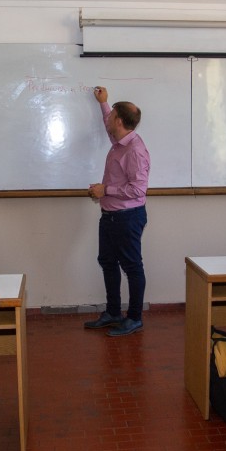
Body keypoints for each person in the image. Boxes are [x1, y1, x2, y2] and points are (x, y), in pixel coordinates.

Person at [82, 85, 151, 337]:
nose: (108, 118)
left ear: (119, 121)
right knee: (108, 262)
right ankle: (113, 313)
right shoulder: (120, 140)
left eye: (111, 115)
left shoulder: (135, 150)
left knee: (132, 267)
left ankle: (134, 318)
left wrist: (105, 190)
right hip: (111, 216)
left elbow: (138, 190)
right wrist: (104, 103)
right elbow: (108, 124)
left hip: (127, 217)